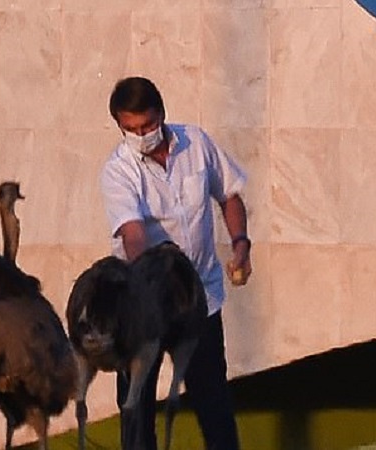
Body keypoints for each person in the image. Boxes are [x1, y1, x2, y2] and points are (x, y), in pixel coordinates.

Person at [99, 76, 252, 450]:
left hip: (200, 300)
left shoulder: (196, 143)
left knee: (214, 406)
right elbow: (133, 234)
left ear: (162, 114)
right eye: (131, 129)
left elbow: (229, 195)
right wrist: (150, 277)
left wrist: (240, 244)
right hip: (143, 308)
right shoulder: (118, 170)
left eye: (148, 125)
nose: (142, 135)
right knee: (136, 416)